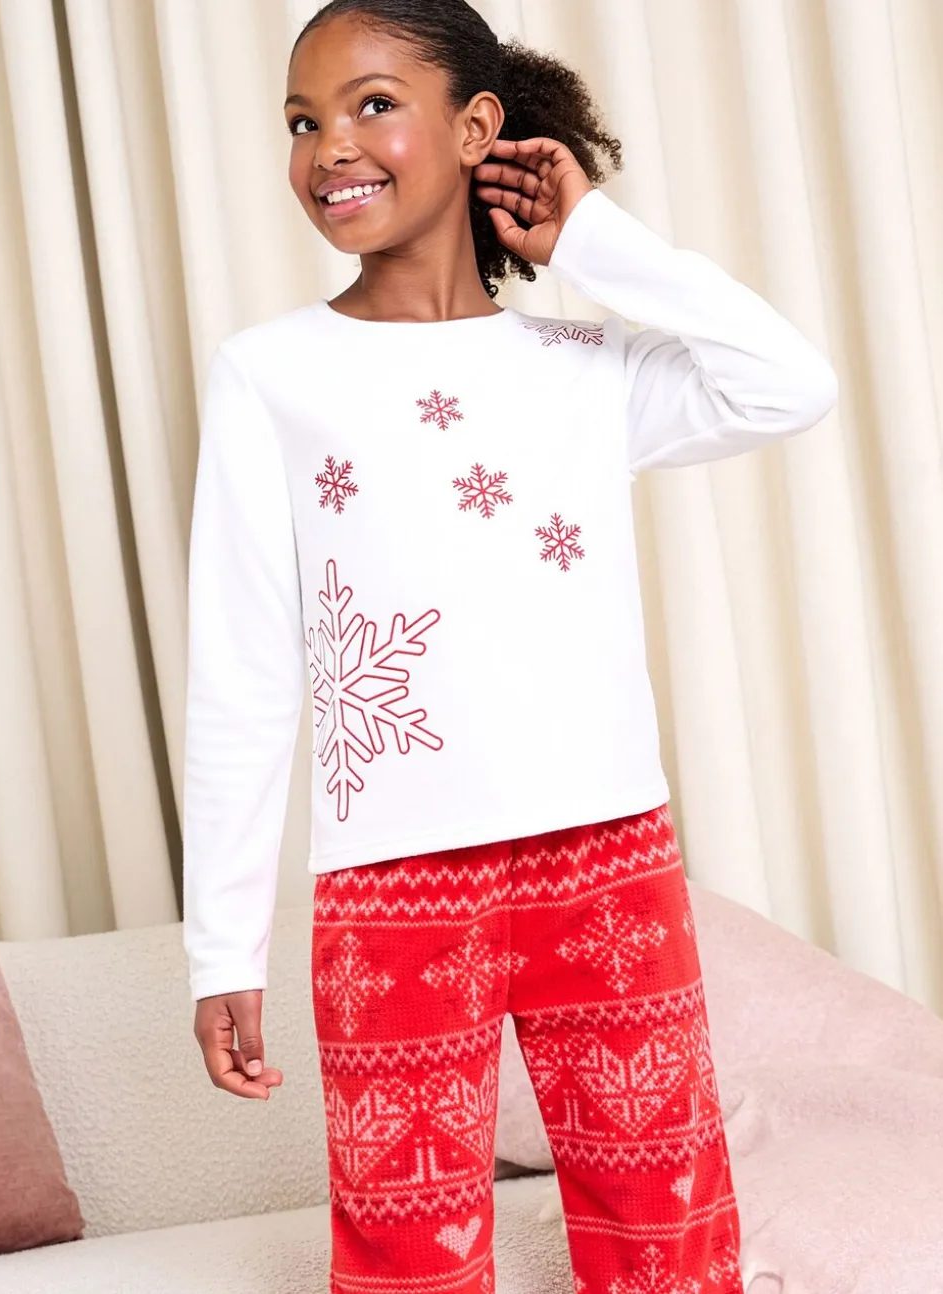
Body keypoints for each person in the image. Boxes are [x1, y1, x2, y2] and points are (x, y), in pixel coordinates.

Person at [181, 1, 838, 1290]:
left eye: (374, 104)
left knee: (666, 1235)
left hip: (609, 861)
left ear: (480, 125)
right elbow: (242, 670)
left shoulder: (582, 365)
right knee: (406, 1255)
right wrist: (223, 946)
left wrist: (595, 236)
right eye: (304, 121)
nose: (329, 146)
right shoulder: (271, 374)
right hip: (391, 889)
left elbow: (789, 381)